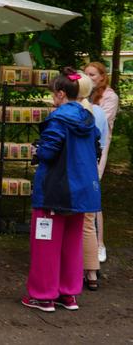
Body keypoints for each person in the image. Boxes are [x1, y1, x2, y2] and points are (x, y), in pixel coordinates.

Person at [22, 67, 100, 313]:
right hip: (82, 192)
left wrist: (37, 151)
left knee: (46, 244)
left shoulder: (58, 118)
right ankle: (69, 294)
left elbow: (48, 152)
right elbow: (96, 150)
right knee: (71, 244)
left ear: (61, 93)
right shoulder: (89, 119)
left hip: (54, 192)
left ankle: (43, 296)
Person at [84, 62, 119, 263]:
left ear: (102, 76)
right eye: (86, 74)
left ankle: (99, 244)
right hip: (83, 148)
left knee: (93, 194)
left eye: (93, 74)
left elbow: (98, 123)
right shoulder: (85, 93)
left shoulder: (110, 97)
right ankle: (86, 244)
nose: (89, 77)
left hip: (98, 148)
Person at [76, 72, 108, 291]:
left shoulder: (68, 114)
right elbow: (102, 146)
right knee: (88, 224)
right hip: (90, 173)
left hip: (71, 175)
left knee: (70, 224)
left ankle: (72, 273)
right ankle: (92, 272)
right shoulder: (98, 113)